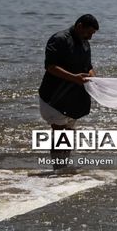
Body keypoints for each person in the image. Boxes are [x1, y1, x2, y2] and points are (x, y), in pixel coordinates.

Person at [38, 14, 99, 169]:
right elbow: (50, 66)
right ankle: (58, 169)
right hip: (54, 96)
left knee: (70, 131)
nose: (90, 37)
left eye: (92, 34)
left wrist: (95, 78)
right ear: (79, 26)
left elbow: (88, 66)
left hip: (74, 96)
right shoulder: (59, 39)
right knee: (59, 131)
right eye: (89, 33)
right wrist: (73, 78)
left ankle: (64, 167)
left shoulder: (85, 42)